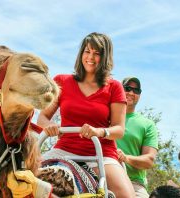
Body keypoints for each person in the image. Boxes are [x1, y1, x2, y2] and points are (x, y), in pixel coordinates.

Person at [37, 32, 135, 197]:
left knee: (127, 196)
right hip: (64, 149)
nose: (91, 57)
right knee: (23, 179)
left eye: (97, 53)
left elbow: (119, 129)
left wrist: (99, 132)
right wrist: (50, 127)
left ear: (104, 58)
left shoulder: (114, 87)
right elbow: (42, 117)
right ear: (81, 53)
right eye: (87, 51)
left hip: (100, 153)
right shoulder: (61, 81)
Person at [116, 76, 158, 198]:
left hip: (133, 183)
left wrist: (125, 158)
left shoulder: (147, 125)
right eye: (127, 88)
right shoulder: (105, 116)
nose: (131, 93)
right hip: (100, 176)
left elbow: (149, 160)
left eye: (136, 90)